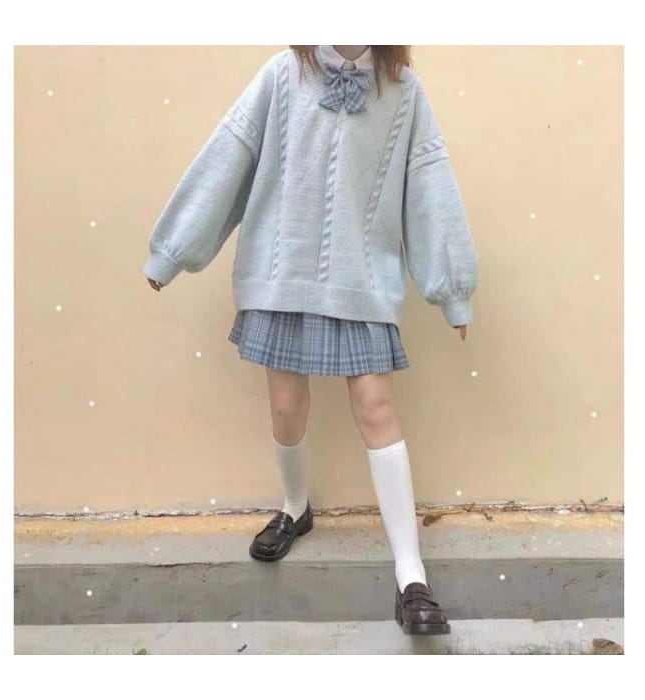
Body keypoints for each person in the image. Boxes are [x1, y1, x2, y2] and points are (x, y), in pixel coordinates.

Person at [142, 45, 479, 636]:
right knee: (285, 406)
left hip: (361, 281)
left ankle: (411, 576)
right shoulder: (282, 73)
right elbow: (230, 154)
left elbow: (430, 185)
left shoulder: (404, 90)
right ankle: (295, 509)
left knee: (376, 405)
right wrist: (173, 251)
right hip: (281, 274)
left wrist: (451, 289)